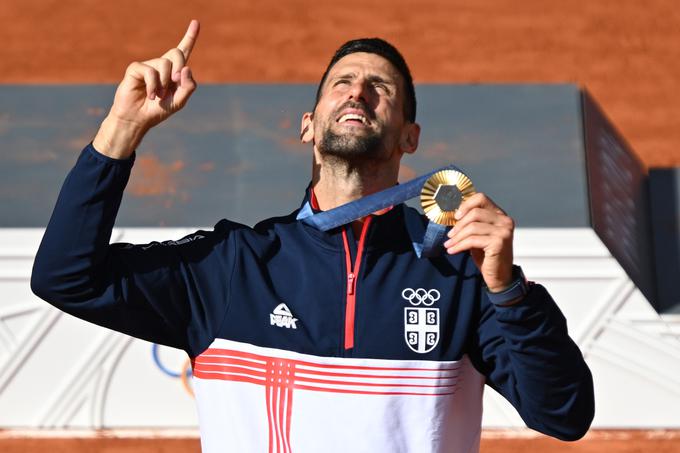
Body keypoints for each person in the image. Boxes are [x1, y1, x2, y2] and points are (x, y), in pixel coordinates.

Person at [31, 19, 594, 453]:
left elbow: (563, 414)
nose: (358, 93)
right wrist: (121, 130)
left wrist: (508, 289)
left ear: (410, 137)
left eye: (381, 88)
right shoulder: (235, 267)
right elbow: (66, 277)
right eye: (342, 83)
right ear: (308, 125)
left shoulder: (457, 273)